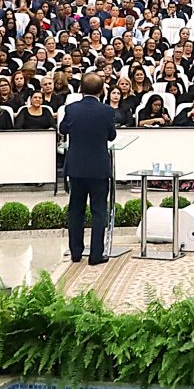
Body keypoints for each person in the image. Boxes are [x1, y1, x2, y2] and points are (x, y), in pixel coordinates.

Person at [60, 73, 120, 265]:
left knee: (76, 210)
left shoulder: (71, 109)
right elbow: (111, 136)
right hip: (98, 168)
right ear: (102, 90)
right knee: (99, 211)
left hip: (76, 167)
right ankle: (95, 255)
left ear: (80, 89)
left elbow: (63, 129)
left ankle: (76, 252)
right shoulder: (107, 111)